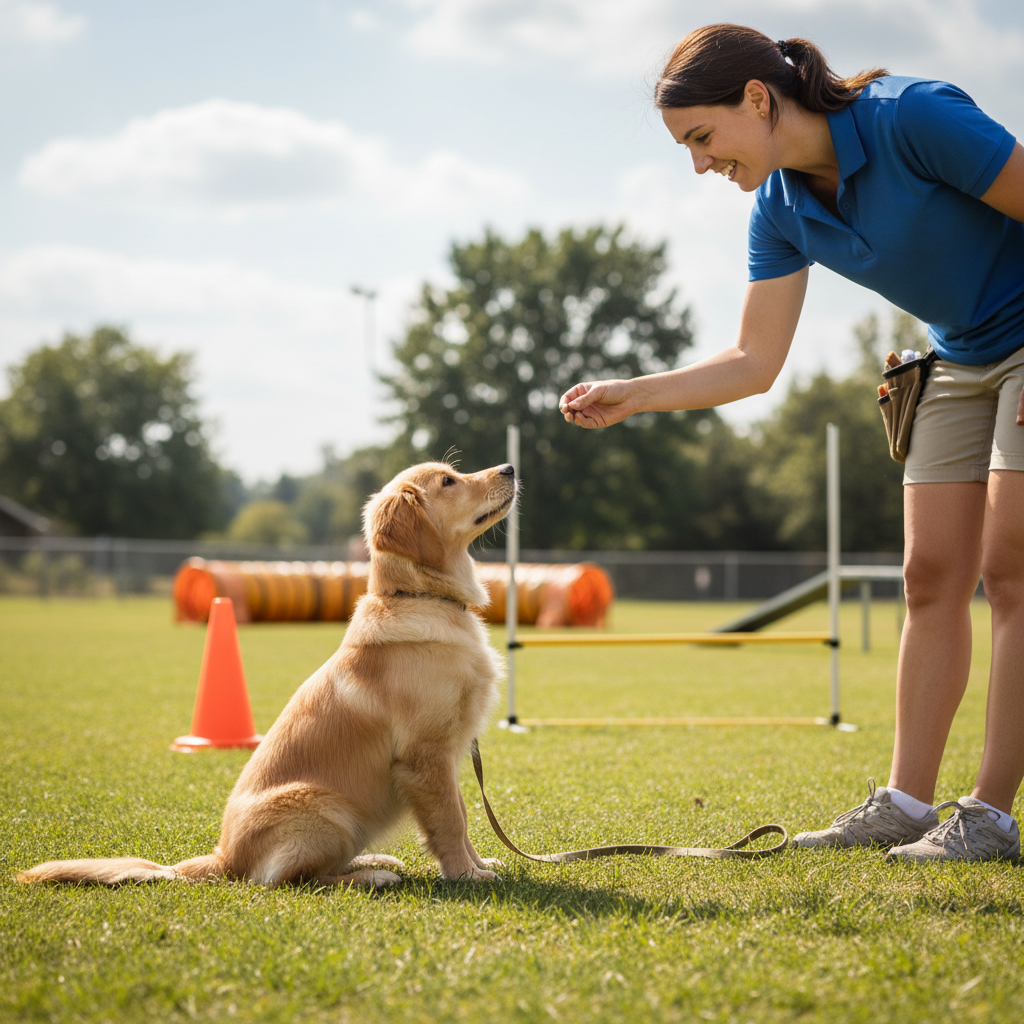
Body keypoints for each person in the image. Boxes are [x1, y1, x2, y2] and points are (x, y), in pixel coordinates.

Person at [559, 23, 1024, 862]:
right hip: (958, 357)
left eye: (702, 138)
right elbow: (754, 361)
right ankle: (907, 804)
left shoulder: (912, 116)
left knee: (1011, 569)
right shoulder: (779, 208)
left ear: (759, 98)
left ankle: (990, 814)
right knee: (929, 577)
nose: (700, 165)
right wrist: (635, 396)